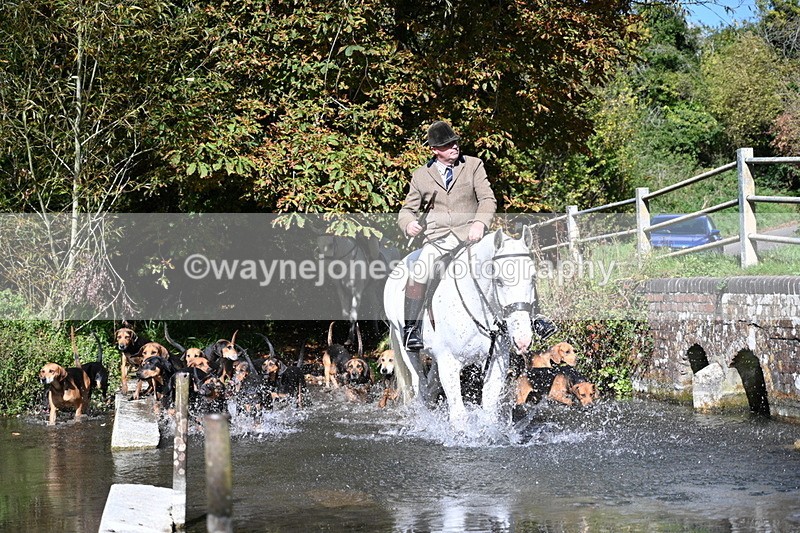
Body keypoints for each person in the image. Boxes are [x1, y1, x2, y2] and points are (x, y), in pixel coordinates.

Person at [397, 120, 497, 350]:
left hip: (473, 234)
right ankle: (411, 329)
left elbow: (487, 199)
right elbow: (407, 209)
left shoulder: (473, 165)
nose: (454, 147)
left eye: (455, 143)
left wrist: (480, 222)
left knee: (512, 257)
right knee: (420, 269)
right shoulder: (421, 175)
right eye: (447, 145)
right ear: (434, 150)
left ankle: (535, 317)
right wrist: (409, 223)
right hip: (439, 238)